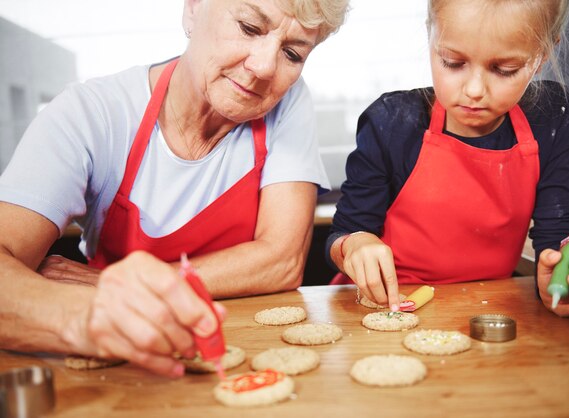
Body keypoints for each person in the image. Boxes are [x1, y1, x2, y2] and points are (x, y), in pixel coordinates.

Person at [0, 0, 349, 377]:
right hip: (122, 363)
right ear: (193, 8)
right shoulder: (90, 114)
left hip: (247, 354)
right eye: (249, 27)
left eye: (292, 53)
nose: (264, 67)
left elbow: (281, 262)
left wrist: (114, 285)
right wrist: (94, 312)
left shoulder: (287, 102)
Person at [326, 0, 569, 318]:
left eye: (505, 70)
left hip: (488, 306)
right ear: (430, 36)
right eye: (452, 62)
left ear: (541, 56)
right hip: (384, 306)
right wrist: (355, 244)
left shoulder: (551, 117)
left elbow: (560, 234)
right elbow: (344, 232)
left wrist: (562, 276)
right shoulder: (392, 121)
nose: (474, 90)